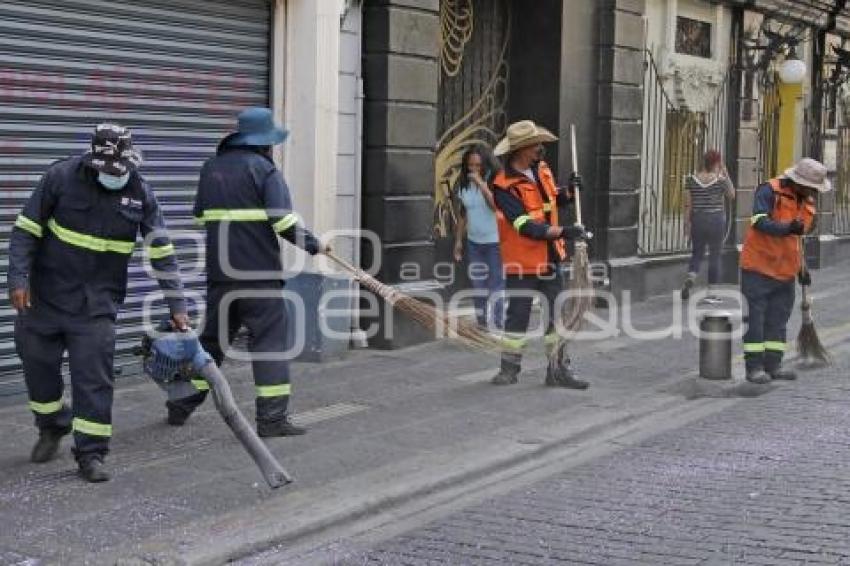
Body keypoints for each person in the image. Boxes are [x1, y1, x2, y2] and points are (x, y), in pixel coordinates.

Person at [8, 123, 188, 482]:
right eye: (105, 169)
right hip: (45, 297)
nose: (112, 176)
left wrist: (177, 304)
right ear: (92, 159)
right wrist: (18, 278)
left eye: (118, 170)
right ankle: (52, 424)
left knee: (93, 379)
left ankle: (91, 453)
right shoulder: (60, 177)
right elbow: (26, 229)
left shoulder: (140, 192)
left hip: (97, 304)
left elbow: (162, 251)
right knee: (38, 368)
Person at [165, 107, 325, 437]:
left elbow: (199, 217)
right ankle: (272, 419)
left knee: (210, 345)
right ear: (264, 143)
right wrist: (314, 245)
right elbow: (283, 222)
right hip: (259, 276)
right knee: (269, 343)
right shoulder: (265, 171)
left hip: (221, 276)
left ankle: (180, 404)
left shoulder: (210, 168)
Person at [489, 120, 590, 389]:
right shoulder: (503, 185)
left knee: (558, 315)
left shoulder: (541, 169)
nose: (540, 148)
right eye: (535, 144)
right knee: (517, 319)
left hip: (551, 259)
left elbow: (552, 200)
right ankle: (509, 369)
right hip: (522, 263)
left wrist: (569, 191)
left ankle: (558, 370)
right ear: (521, 149)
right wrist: (564, 232)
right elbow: (524, 225)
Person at [740, 158, 829, 384]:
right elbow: (758, 221)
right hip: (758, 268)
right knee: (757, 321)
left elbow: (798, 241)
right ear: (799, 182)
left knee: (778, 321)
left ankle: (774, 365)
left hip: (786, 272)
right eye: (812, 188)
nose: (814, 193)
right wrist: (787, 227)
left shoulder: (808, 204)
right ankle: (754, 368)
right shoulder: (770, 190)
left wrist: (802, 268)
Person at [452, 146, 505, 329]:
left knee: (496, 285)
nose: (474, 169)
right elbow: (463, 214)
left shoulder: (494, 181)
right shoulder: (464, 185)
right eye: (470, 165)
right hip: (474, 243)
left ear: (486, 166)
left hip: (495, 243)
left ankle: (499, 324)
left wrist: (481, 183)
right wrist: (459, 241)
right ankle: (482, 323)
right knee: (478, 285)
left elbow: (495, 206)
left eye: (478, 165)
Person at [681, 150, 735, 303]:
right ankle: (712, 294)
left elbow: (687, 204)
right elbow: (731, 195)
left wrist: (687, 224)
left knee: (696, 252)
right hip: (716, 220)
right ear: (717, 163)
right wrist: (726, 173)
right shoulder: (720, 180)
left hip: (698, 219)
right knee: (715, 255)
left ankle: (691, 277)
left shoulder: (690, 179)